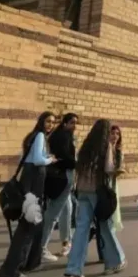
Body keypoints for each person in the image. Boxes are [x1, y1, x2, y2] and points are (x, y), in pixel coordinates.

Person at [62, 120, 126, 277]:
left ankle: (72, 270)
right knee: (105, 226)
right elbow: (109, 169)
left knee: (81, 230)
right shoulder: (106, 148)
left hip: (82, 191)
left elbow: (79, 169)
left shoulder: (86, 147)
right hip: (98, 192)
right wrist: (118, 171)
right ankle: (116, 260)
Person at [0, 112, 57, 277]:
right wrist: (50, 160)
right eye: (47, 121)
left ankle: (30, 262)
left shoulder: (35, 137)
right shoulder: (39, 136)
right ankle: (9, 272)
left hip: (31, 186)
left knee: (36, 225)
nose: (50, 125)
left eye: (53, 122)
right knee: (27, 228)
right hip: (31, 190)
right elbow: (37, 160)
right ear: (41, 122)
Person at [39, 113, 78, 264]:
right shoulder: (63, 136)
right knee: (53, 213)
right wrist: (76, 164)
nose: (74, 126)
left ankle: (66, 242)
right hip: (62, 177)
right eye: (72, 123)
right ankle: (41, 247)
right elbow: (65, 158)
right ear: (65, 123)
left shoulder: (58, 135)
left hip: (59, 176)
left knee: (67, 209)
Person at [89, 124, 126, 266]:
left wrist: (120, 170)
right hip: (102, 186)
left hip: (113, 186)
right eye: (112, 133)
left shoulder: (118, 151)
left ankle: (105, 252)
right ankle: (105, 253)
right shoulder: (103, 150)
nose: (115, 136)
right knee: (104, 219)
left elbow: (118, 168)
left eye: (117, 133)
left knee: (109, 218)